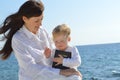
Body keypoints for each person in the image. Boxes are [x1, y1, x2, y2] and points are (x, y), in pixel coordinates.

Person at [0, 0, 82, 80]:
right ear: (25, 19)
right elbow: (30, 69)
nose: (40, 24)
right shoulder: (18, 39)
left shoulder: (43, 31)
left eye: (42, 19)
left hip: (51, 76)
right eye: (36, 21)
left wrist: (68, 67)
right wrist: (61, 72)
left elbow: (53, 57)